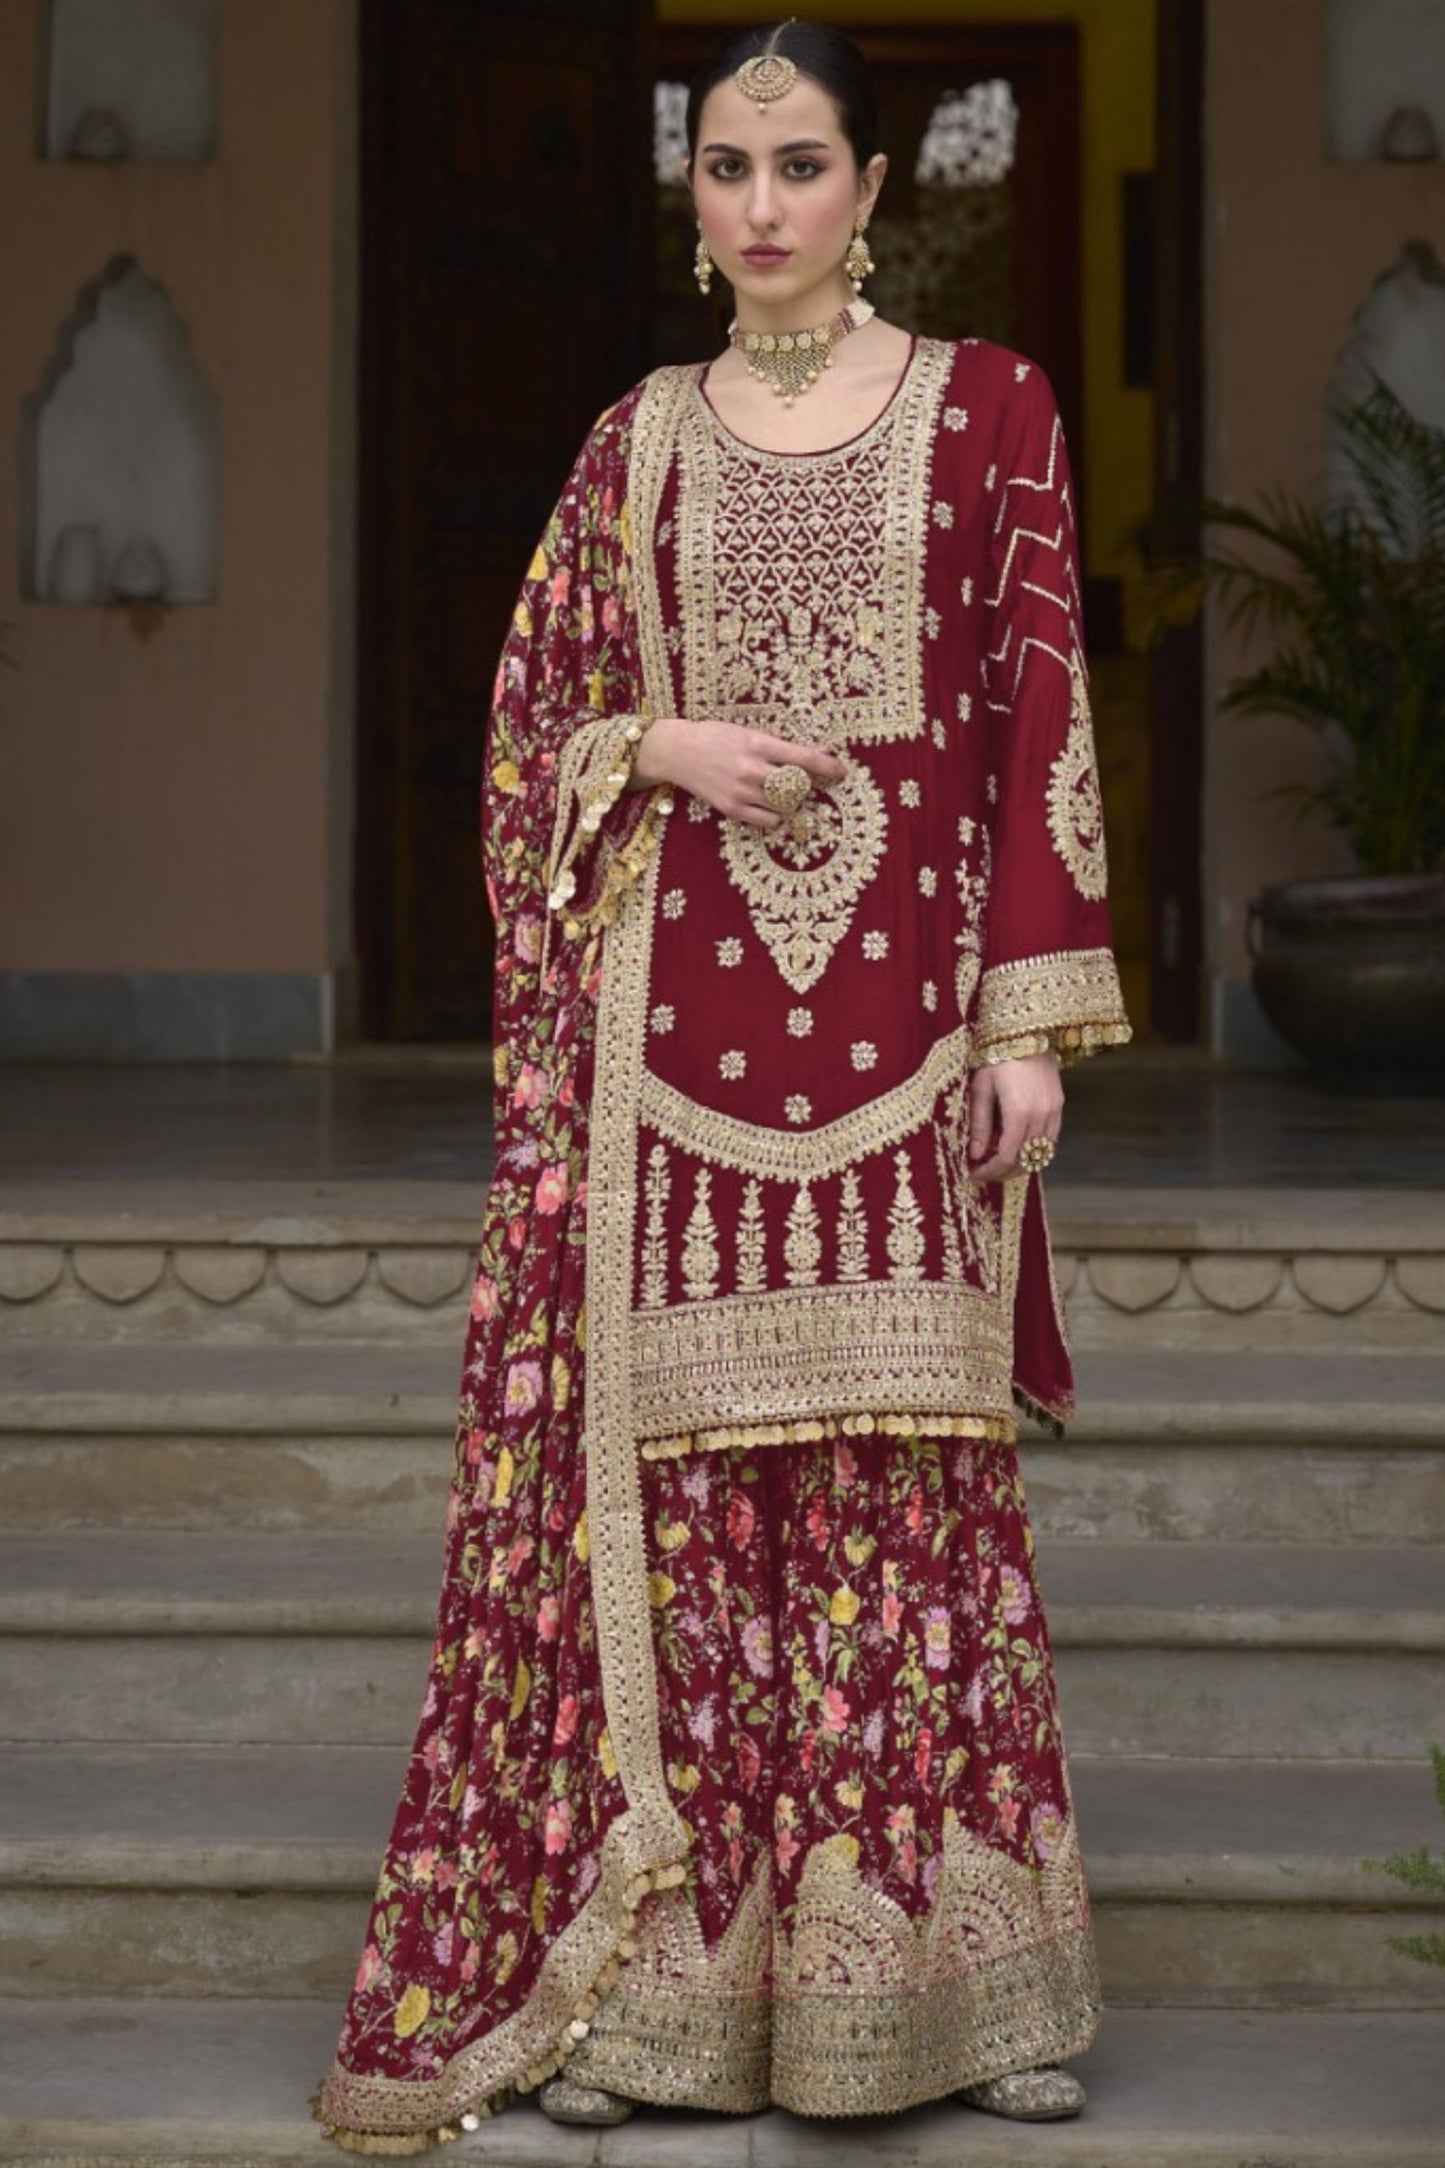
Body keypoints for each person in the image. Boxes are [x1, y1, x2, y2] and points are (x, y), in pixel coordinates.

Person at [311, 16, 1131, 2155]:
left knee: (914, 1514)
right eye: (727, 168)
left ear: (877, 188)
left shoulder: (991, 418)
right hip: (667, 1076)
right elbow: (529, 729)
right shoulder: (635, 445)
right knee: (686, 1535)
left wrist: (1032, 1021)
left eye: (802, 167)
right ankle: (661, 1999)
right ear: (697, 199)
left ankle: (962, 2001)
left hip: (914, 1052)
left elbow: (1036, 708)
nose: (761, 207)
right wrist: (650, 749)